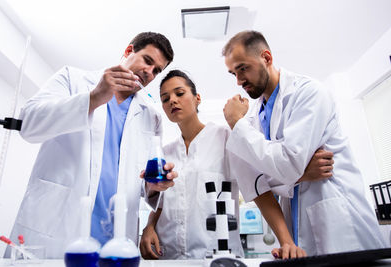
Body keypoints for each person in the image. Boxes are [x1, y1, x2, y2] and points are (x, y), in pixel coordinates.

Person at [6, 32, 177, 258]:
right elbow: (28, 124)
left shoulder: (151, 116)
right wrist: (93, 97)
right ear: (128, 51)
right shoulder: (72, 79)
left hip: (115, 239)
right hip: (58, 229)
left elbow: (142, 178)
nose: (149, 72)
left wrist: (153, 187)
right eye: (147, 60)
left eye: (157, 70)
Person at [222, 30, 387, 256]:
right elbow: (258, 184)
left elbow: (285, 165)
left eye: (243, 68)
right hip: (298, 230)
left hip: (341, 225)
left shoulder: (308, 93)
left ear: (266, 58)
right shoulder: (254, 117)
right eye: (233, 73)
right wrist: (301, 173)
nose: (239, 80)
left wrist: (237, 123)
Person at [139, 70, 335, 260]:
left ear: (197, 98)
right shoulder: (164, 152)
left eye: (179, 93)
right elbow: (163, 201)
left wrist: (287, 242)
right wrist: (149, 226)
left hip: (217, 255)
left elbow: (259, 189)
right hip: (169, 256)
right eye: (165, 98)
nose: (172, 100)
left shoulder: (226, 138)